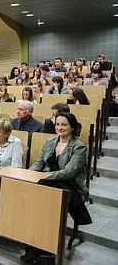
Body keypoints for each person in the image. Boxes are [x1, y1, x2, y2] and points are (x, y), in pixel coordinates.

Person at [27, 112, 92, 264]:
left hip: (69, 185)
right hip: (48, 182)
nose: (59, 127)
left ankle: (46, 252)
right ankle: (32, 245)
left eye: (64, 125)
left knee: (45, 209)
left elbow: (69, 172)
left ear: (72, 127)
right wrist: (28, 175)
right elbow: (39, 163)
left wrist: (45, 176)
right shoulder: (49, 142)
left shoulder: (79, 147)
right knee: (30, 204)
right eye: (57, 124)